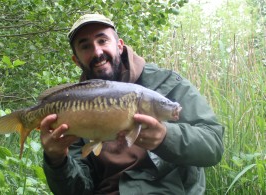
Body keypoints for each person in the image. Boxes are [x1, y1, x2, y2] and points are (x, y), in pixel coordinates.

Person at [40, 13, 224, 195]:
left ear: (120, 45)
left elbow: (213, 145)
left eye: (102, 40)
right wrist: (56, 160)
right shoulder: (69, 105)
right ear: (76, 60)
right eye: (86, 46)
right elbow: (78, 190)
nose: (97, 52)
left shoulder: (168, 84)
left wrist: (166, 137)